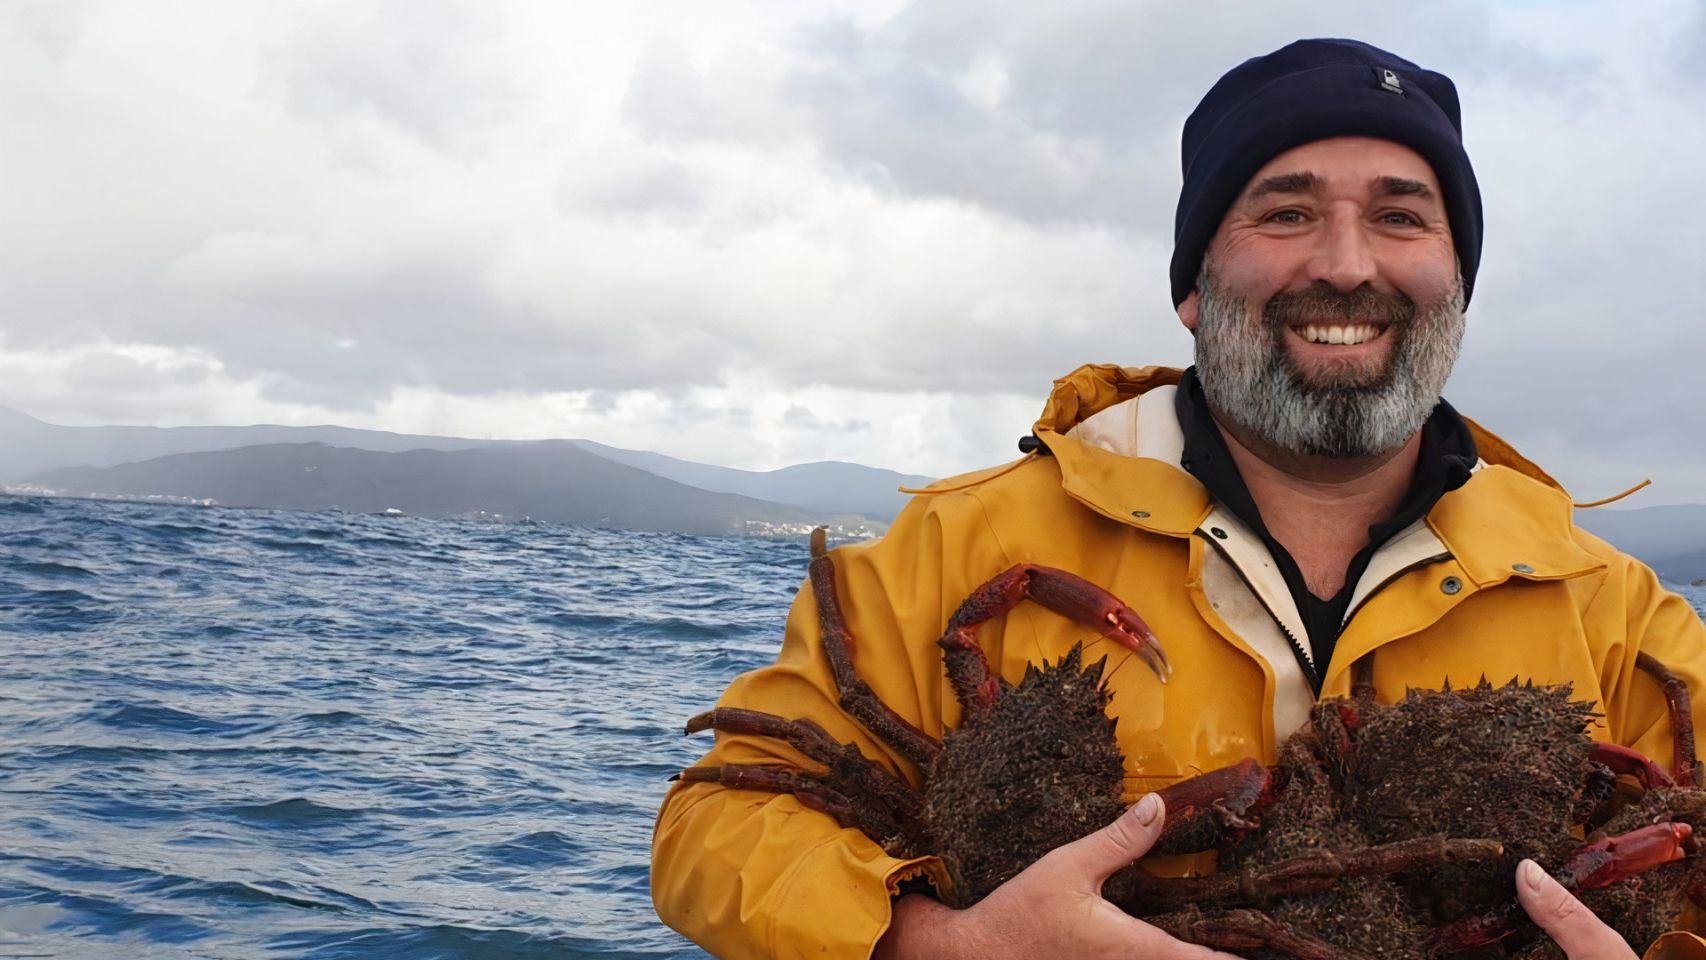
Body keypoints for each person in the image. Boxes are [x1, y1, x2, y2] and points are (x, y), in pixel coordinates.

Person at [651, 38, 1706, 960]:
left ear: (1455, 282)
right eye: (1284, 211)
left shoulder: (1604, 607)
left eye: (1400, 217)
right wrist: (940, 946)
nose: (1344, 264)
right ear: (1193, 288)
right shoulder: (967, 544)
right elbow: (719, 823)